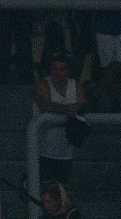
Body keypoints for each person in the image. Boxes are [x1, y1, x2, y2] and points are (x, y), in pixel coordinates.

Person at [35, 53, 85, 184]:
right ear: (50, 70)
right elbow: (44, 105)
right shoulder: (43, 84)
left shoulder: (74, 86)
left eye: (63, 69)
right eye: (56, 69)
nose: (59, 73)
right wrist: (67, 109)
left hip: (66, 152)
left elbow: (81, 104)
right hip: (44, 151)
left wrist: (67, 109)